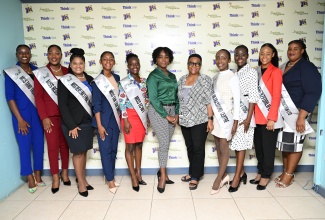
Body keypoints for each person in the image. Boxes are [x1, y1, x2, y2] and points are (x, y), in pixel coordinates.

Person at [275, 40, 322, 188]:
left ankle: (289, 175)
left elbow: (313, 92)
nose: (291, 51)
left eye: (295, 49)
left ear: (302, 51)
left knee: (295, 145)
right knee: (285, 144)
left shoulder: (307, 67)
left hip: (297, 113)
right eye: (289, 49)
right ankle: (285, 171)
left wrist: (302, 116)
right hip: (283, 112)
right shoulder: (284, 67)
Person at [4, 44, 45, 194]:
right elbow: (10, 97)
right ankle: (30, 177)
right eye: (21, 52)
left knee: (39, 145)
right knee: (24, 147)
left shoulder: (37, 71)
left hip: (38, 114)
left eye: (27, 52)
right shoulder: (11, 73)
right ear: (17, 55)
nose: (24, 55)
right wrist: (19, 119)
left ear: (30, 54)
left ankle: (38, 175)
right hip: (21, 116)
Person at [34, 45, 71, 194]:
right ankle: (55, 177)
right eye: (51, 53)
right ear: (47, 55)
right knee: (52, 147)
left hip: (66, 116)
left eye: (57, 53)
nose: (54, 56)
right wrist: (44, 117)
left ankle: (65, 173)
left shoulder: (68, 71)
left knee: (65, 146)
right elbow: (38, 97)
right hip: (50, 117)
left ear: (61, 55)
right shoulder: (41, 73)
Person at [58, 48, 94, 197]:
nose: (78, 66)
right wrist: (71, 125)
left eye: (81, 63)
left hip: (88, 121)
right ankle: (80, 184)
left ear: (84, 64)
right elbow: (62, 105)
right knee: (78, 153)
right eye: (75, 63)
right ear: (71, 65)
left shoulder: (91, 79)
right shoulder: (65, 81)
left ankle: (83, 180)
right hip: (73, 123)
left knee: (84, 151)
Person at [178, 54, 214, 190]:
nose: (194, 66)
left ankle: (195, 177)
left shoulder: (205, 80)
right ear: (187, 64)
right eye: (191, 63)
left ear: (201, 65)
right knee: (190, 147)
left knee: (198, 148)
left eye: (197, 63)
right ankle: (192, 172)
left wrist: (210, 120)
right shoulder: (181, 80)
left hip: (200, 119)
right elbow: (180, 100)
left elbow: (209, 101)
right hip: (185, 120)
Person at [250, 43, 283, 190]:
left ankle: (266, 175)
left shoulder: (275, 72)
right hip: (255, 117)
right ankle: (260, 171)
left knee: (268, 149)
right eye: (262, 53)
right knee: (259, 148)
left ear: (273, 55)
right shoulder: (255, 71)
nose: (264, 56)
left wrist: (272, 118)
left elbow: (276, 96)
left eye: (268, 53)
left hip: (268, 117)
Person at [147, 46, 179, 193]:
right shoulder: (153, 76)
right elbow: (153, 98)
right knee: (164, 143)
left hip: (172, 110)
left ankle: (163, 173)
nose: (163, 59)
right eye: (160, 56)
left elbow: (176, 96)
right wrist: (167, 115)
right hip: (158, 111)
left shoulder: (172, 76)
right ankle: (163, 176)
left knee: (165, 144)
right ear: (156, 59)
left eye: (166, 56)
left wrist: (176, 113)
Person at [228, 45, 259, 192]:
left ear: (247, 56)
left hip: (245, 115)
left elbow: (253, 98)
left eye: (243, 55)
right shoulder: (234, 73)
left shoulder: (251, 72)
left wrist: (248, 119)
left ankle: (236, 178)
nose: (239, 58)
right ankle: (241, 172)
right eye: (237, 55)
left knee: (240, 146)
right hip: (235, 114)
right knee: (236, 144)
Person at [210, 49, 240, 195]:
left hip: (227, 118)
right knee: (217, 145)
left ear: (229, 60)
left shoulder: (233, 77)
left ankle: (218, 179)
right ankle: (224, 176)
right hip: (216, 118)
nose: (220, 61)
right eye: (217, 58)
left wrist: (235, 122)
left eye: (223, 58)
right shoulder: (215, 77)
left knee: (224, 146)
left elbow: (238, 101)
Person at [119, 53, 149, 192]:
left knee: (139, 145)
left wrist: (147, 117)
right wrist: (125, 120)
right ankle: (132, 176)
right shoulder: (124, 82)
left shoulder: (144, 81)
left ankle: (139, 173)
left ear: (139, 65)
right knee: (129, 147)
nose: (134, 66)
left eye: (136, 64)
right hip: (129, 117)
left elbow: (146, 101)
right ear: (128, 66)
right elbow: (122, 103)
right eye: (131, 64)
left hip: (141, 116)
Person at [92, 51, 120, 194]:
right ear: (100, 61)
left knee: (114, 150)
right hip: (103, 121)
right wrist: (99, 125)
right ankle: (110, 181)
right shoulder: (97, 82)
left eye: (110, 59)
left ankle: (111, 177)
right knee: (105, 151)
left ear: (114, 62)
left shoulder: (117, 78)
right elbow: (96, 106)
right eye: (105, 59)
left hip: (116, 121)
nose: (108, 61)